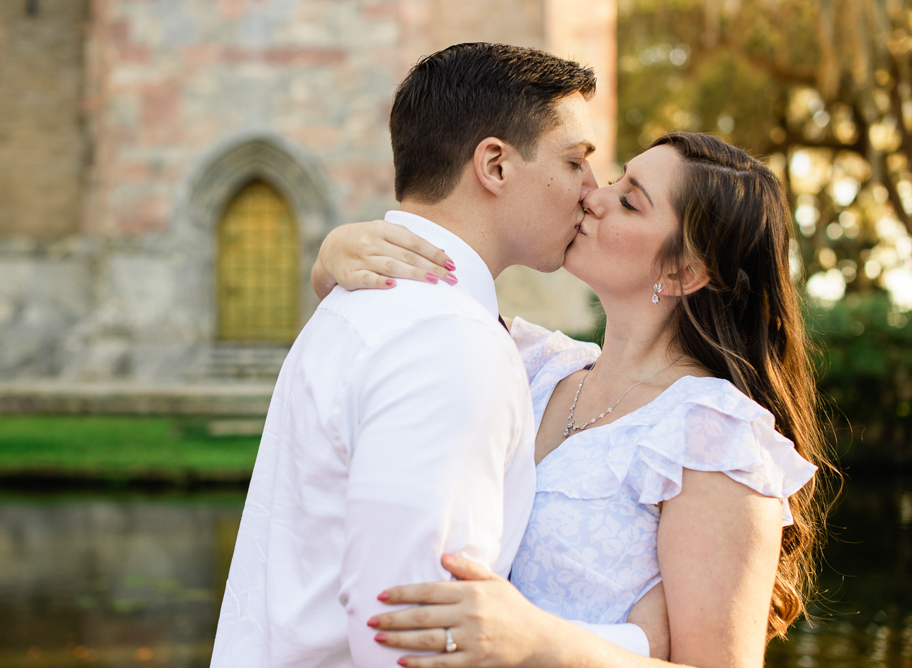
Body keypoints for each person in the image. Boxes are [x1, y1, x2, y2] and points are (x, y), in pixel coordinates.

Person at [210, 43, 665, 668]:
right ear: (496, 166)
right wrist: (644, 644)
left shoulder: (363, 303)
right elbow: (407, 631)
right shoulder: (450, 341)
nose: (592, 192)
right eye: (576, 161)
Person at [312, 131, 836, 667]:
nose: (593, 196)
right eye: (614, 179)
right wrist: (334, 252)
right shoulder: (533, 363)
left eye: (629, 201)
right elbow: (407, 309)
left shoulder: (714, 435)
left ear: (683, 272)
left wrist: (539, 643)